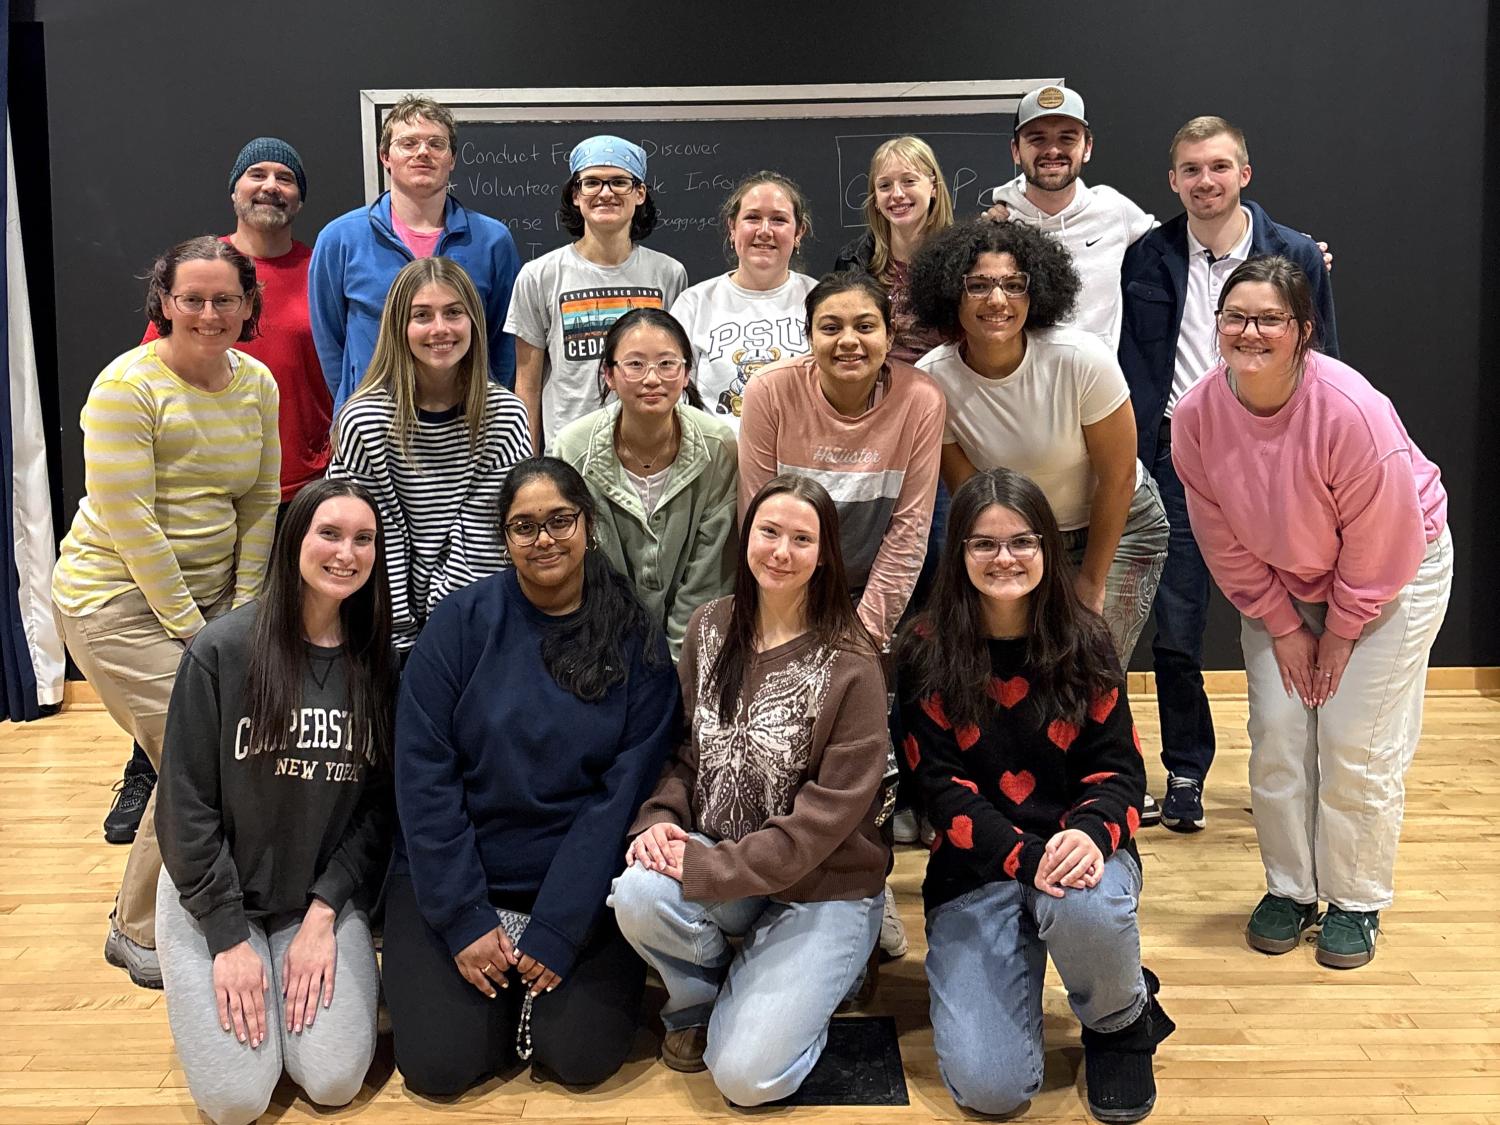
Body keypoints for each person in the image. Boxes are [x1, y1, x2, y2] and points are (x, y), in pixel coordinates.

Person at [1170, 256, 1449, 970]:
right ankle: (1291, 889)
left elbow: (1384, 540)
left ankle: (1355, 900)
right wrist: (1286, 624)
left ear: (1303, 330)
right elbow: (1220, 537)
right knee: (1279, 734)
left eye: (1270, 319)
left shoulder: (1350, 408)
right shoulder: (1199, 415)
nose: (1250, 331)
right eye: (1236, 317)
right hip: (1284, 578)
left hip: (1391, 575)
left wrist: (1343, 631)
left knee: (1356, 744)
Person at [382, 457, 680, 1094]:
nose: (544, 539)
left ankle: (523, 987)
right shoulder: (460, 625)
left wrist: (558, 926)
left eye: (560, 520)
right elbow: (424, 776)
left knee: (577, 1057)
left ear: (588, 525)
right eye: (524, 526)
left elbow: (619, 798)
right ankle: (495, 989)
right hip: (458, 871)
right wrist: (464, 917)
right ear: (503, 537)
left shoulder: (636, 639)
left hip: (577, 881)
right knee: (441, 1067)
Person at [896, 467, 1173, 1123]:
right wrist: (1023, 855)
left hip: (1078, 857)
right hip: (978, 870)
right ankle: (1107, 971)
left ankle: (1121, 1020)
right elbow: (940, 792)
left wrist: (1085, 834)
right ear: (958, 552)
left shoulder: (1087, 639)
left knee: (1083, 905)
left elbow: (1122, 774)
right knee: (993, 1089)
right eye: (984, 544)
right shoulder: (923, 651)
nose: (1005, 559)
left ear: (1047, 547)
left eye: (1022, 541)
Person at [609, 474, 889, 1104]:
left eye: (801, 538)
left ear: (825, 555)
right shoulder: (710, 628)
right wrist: (659, 817)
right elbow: (683, 749)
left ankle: (836, 965)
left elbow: (825, 821)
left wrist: (710, 865)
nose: (781, 551)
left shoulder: (853, 663)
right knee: (638, 892)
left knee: (745, 1078)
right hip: (728, 864)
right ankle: (701, 999)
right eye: (769, 531)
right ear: (747, 536)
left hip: (824, 887)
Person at [51, 236, 280, 988]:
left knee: (202, 749)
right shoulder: (127, 388)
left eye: (226, 299)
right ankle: (138, 925)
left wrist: (242, 612)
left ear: (249, 305)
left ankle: (175, 906)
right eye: (193, 298)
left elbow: (256, 503)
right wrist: (200, 629)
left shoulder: (256, 383)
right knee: (194, 749)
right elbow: (132, 524)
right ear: (164, 303)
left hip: (211, 602)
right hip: (114, 601)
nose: (210, 313)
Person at [1118, 118, 1340, 834]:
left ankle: (1301, 768)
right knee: (1177, 629)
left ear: (1244, 172)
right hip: (1178, 459)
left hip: (1275, 463)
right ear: (1173, 182)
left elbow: (1326, 358)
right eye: (1190, 170)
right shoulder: (1146, 255)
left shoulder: (1297, 254)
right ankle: (1186, 772)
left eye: (1218, 167)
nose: (1204, 181)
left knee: (1291, 614)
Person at [110, 138, 332, 847]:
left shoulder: (319, 263)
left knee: (274, 651)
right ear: (234, 189)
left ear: (299, 195)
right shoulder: (199, 271)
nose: (271, 186)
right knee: (192, 677)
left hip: (298, 483)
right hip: (207, 505)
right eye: (256, 174)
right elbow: (155, 367)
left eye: (284, 177)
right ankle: (146, 770)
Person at [154, 479, 396, 1125]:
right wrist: (228, 936)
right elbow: (183, 805)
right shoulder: (222, 650)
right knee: (236, 1101)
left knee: (334, 1079)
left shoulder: (379, 665)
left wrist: (323, 915)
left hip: (314, 896)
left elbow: (378, 812)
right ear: (294, 540)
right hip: (214, 894)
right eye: (330, 533)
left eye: (363, 538)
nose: (347, 552)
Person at [909, 219, 1169, 671]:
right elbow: (972, 494)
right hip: (1020, 538)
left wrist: (1090, 581)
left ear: (1036, 292)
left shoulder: (1080, 359)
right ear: (952, 292)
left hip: (1117, 527)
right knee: (1022, 669)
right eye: (978, 286)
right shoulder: (934, 379)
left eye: (1014, 285)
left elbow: (1119, 476)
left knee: (1091, 666)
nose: (997, 300)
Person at [327, 257, 531, 655]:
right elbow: (365, 535)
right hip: (377, 626)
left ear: (473, 321)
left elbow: (486, 539)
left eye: (454, 313)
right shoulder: (364, 420)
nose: (440, 329)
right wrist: (399, 640)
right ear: (400, 328)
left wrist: (441, 637)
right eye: (422, 315)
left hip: (470, 625)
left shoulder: (504, 416)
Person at [738, 272, 945, 649]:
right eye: (830, 327)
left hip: (873, 596)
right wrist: (786, 629)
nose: (848, 341)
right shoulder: (770, 391)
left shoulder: (921, 399)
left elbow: (908, 533)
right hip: (785, 590)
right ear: (809, 336)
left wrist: (862, 642)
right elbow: (759, 524)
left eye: (865, 326)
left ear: (890, 335)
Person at [311, 94, 520, 413]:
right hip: (375, 421)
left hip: (467, 422)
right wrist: (354, 407)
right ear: (385, 156)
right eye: (408, 143)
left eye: (436, 144)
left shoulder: (492, 241)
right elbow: (330, 340)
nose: (423, 152)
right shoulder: (340, 239)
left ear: (452, 159)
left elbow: (502, 341)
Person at [550, 308, 737, 661]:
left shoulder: (719, 447)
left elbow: (709, 581)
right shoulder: (572, 450)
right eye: (635, 364)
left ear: (685, 374)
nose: (652, 379)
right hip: (597, 646)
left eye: (667, 364)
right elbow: (573, 570)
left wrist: (677, 672)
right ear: (609, 374)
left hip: (694, 652)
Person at [507, 135, 688, 451]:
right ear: (576, 195)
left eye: (619, 182)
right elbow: (527, 384)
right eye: (592, 183)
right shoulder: (539, 276)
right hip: (569, 456)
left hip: (651, 453)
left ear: (640, 193)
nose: (605, 193)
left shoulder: (669, 274)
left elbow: (677, 373)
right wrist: (530, 466)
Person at [979, 85, 1155, 350]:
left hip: (1099, 386)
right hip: (1020, 385)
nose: (1052, 150)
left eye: (1067, 138)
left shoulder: (1114, 209)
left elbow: (1178, 249)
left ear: (1087, 147)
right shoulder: (998, 227)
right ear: (1016, 150)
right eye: (1037, 139)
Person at [669, 171, 816, 424]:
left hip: (800, 456)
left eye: (779, 220)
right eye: (752, 218)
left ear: (799, 232)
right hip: (716, 457)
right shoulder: (693, 303)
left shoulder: (819, 299)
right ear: (732, 227)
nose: (765, 231)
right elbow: (674, 393)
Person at [833, 135, 955, 363]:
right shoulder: (854, 260)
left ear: (933, 188)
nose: (897, 194)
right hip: (876, 389)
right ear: (876, 199)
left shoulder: (961, 257)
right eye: (885, 185)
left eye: (909, 181)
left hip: (948, 388)